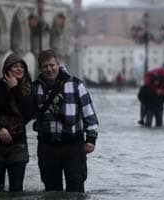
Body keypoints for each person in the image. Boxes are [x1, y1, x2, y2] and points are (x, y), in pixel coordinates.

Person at [32, 49, 99, 192]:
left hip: (73, 146)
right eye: (45, 66)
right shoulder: (35, 87)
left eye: (52, 65)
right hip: (47, 146)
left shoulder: (76, 84)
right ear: (40, 68)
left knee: (76, 188)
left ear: (58, 64)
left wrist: (91, 139)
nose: (49, 69)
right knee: (51, 191)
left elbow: (90, 115)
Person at [0, 53, 33, 192]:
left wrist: (15, 88)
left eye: (22, 67)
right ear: (7, 70)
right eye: (15, 66)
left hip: (18, 145)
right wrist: (0, 128)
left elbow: (29, 114)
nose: (19, 69)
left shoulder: (28, 89)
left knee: (16, 190)